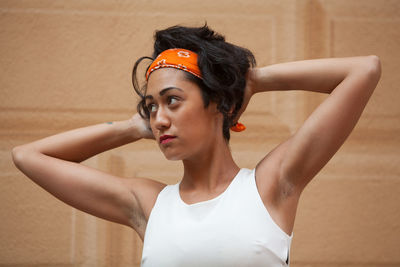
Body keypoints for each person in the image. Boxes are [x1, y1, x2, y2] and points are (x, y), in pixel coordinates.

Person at [12, 24, 381, 266]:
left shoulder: (270, 186)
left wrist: (248, 80)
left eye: (173, 100)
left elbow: (363, 70)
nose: (159, 118)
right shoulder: (149, 205)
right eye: (151, 106)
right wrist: (132, 127)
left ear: (219, 103)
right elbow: (28, 156)